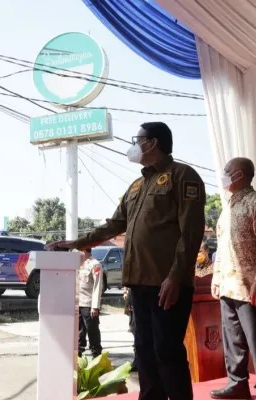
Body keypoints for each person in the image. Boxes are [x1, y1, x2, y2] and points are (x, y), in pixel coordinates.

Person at [47, 122, 205, 400]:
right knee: (144, 350)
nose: (134, 145)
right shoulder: (137, 185)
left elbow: (191, 233)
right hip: (139, 283)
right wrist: (78, 242)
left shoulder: (182, 176)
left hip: (167, 283)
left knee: (167, 351)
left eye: (138, 139)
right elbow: (114, 225)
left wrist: (176, 277)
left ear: (152, 143)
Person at [210, 157, 256, 399]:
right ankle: (237, 382)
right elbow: (221, 246)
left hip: (251, 286)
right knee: (233, 339)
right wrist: (216, 277)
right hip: (229, 285)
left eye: (227, 171)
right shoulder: (227, 206)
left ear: (239, 175)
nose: (224, 175)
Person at [77, 248, 103, 358]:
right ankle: (78, 354)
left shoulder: (95, 265)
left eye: (79, 250)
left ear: (84, 250)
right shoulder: (77, 264)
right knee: (79, 333)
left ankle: (96, 353)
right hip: (78, 303)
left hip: (88, 304)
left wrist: (95, 306)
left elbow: (97, 286)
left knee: (92, 331)